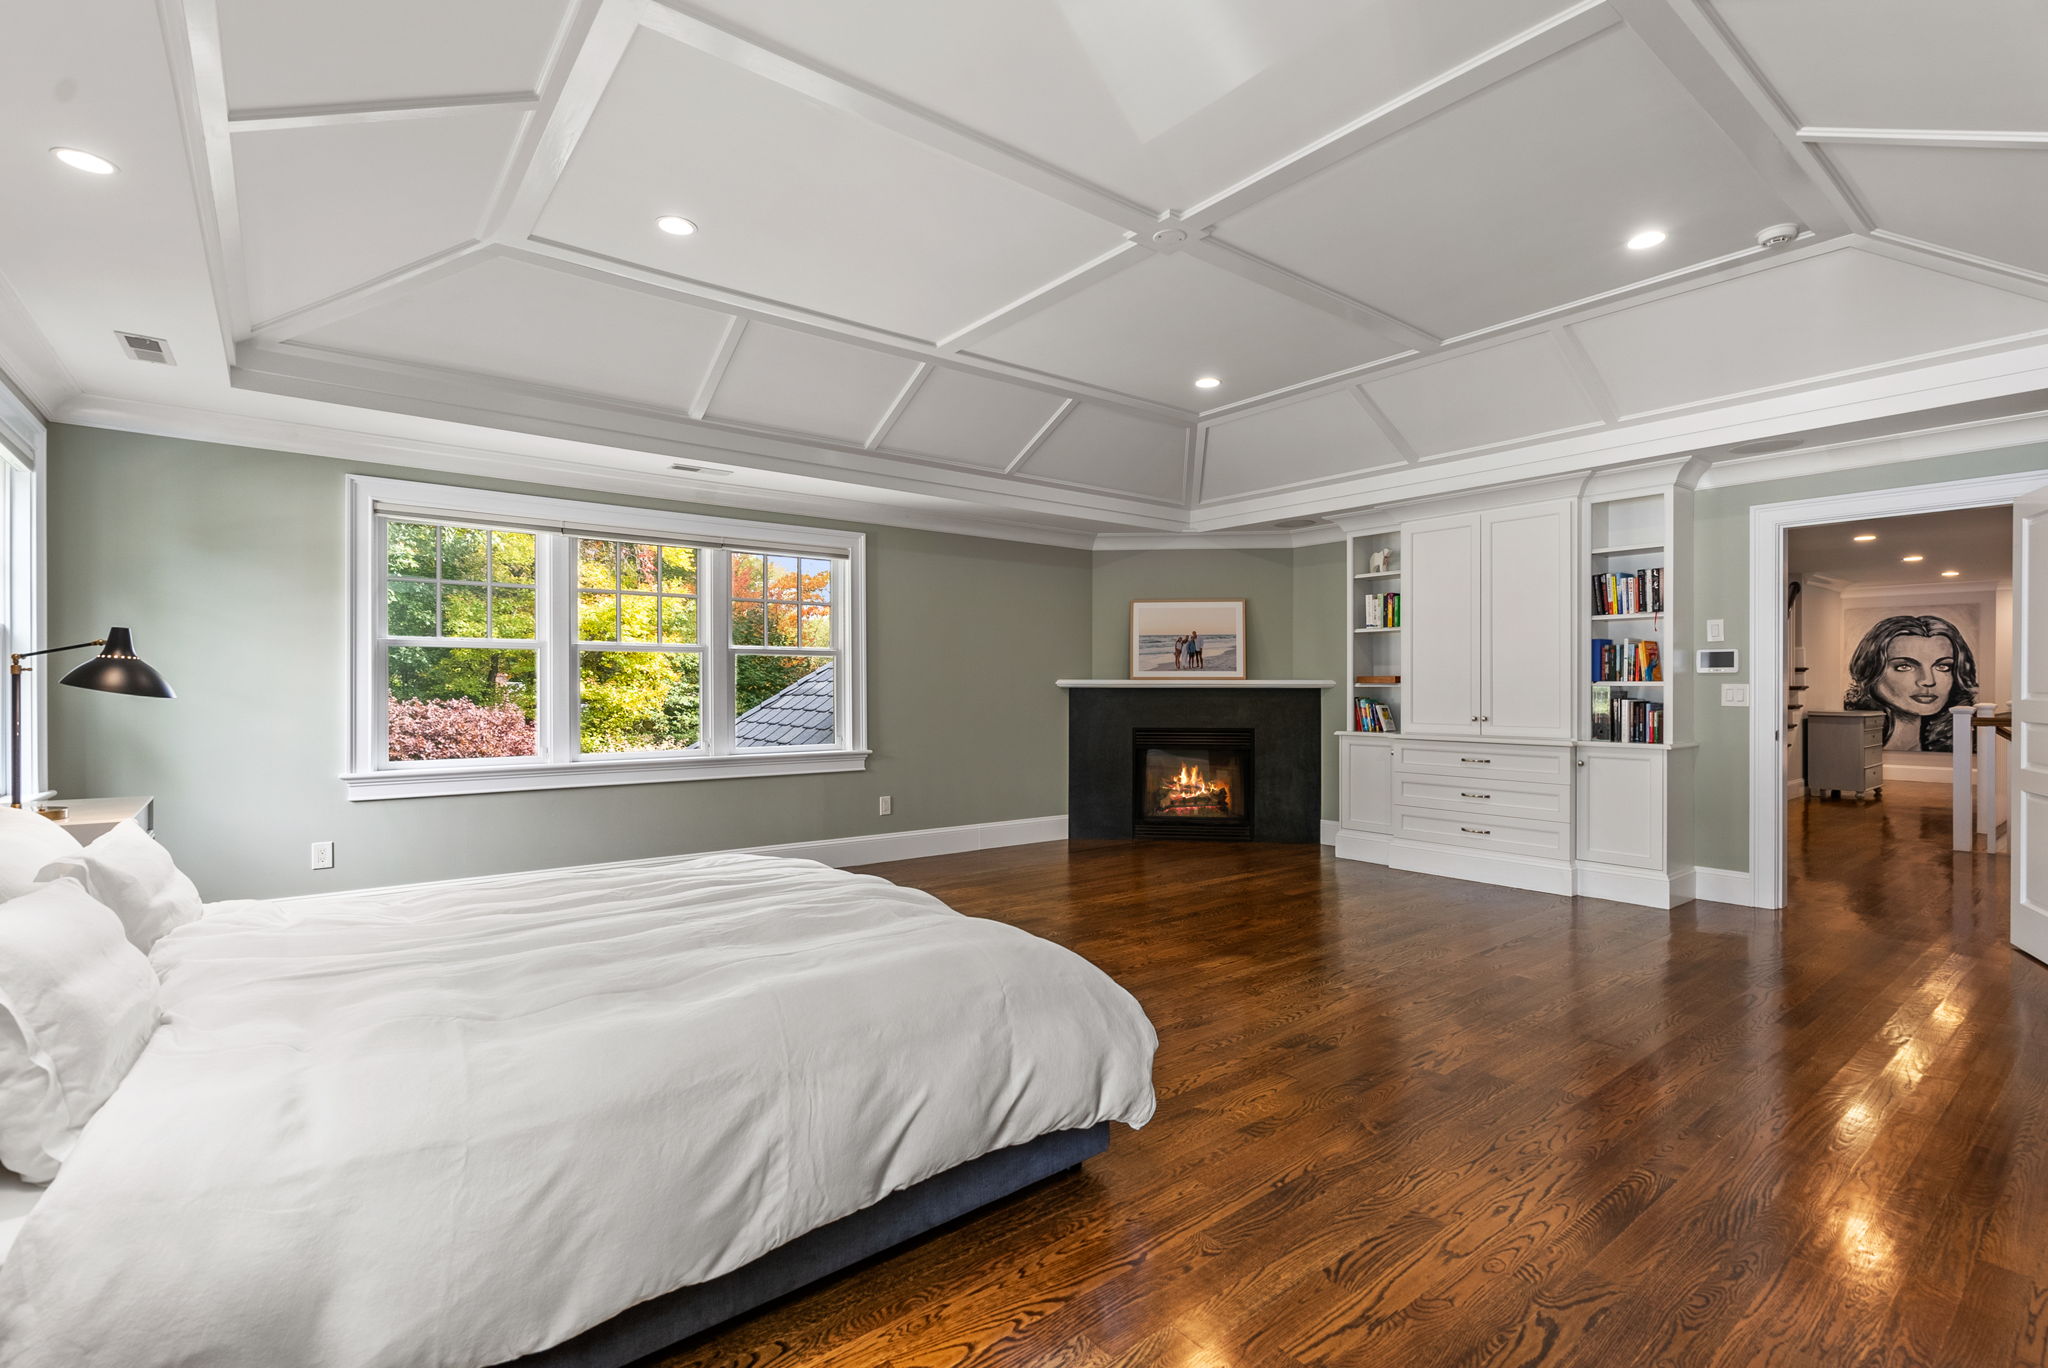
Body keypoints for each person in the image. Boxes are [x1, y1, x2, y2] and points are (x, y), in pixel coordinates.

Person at [1843, 613, 1978, 751]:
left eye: (1942, 667)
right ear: (1871, 671)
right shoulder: (1847, 741)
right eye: (1905, 666)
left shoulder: (1964, 741)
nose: (1928, 681)